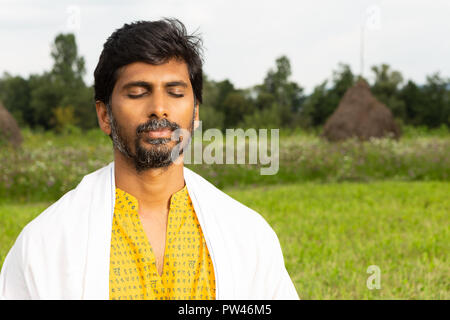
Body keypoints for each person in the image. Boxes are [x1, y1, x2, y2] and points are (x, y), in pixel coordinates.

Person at [0, 18, 299, 300]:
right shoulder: (46, 243)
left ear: (195, 114)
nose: (159, 108)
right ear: (105, 115)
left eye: (175, 93)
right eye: (138, 93)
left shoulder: (247, 235)